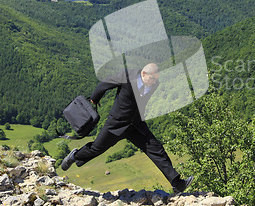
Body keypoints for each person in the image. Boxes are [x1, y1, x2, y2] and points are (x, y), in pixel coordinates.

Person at [60, 63, 193, 194]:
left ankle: (177, 184)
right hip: (116, 124)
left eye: (156, 79)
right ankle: (75, 156)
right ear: (143, 73)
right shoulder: (127, 75)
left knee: (156, 149)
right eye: (152, 79)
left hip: (136, 125)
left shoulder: (154, 83)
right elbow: (104, 84)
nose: (154, 82)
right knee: (96, 148)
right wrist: (95, 99)